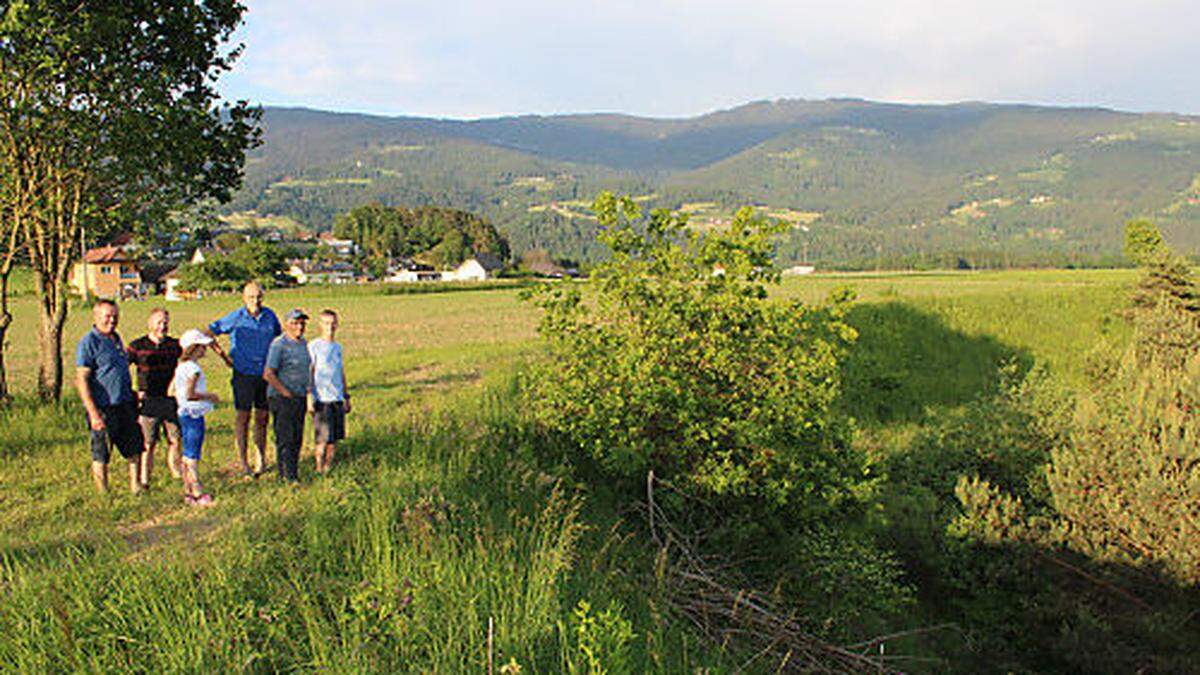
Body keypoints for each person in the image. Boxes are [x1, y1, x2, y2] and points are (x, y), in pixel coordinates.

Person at [206, 281, 281, 477]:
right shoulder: (236, 317)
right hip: (243, 375)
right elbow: (209, 332)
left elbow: (279, 340)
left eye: (258, 297)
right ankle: (243, 462)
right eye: (251, 297)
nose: (255, 301)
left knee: (263, 418)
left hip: (265, 375)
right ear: (243, 298)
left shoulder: (270, 316)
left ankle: (261, 459)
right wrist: (224, 356)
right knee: (243, 417)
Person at [74, 300, 144, 493]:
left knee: (134, 447)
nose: (112, 320)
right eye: (107, 316)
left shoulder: (116, 339)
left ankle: (135, 486)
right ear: (96, 317)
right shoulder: (89, 342)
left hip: (125, 404)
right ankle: (103, 492)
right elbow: (81, 380)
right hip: (103, 407)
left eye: (115, 316)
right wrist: (93, 413)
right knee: (102, 452)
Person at [126, 308, 184, 487]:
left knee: (175, 439)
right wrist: (133, 391)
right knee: (148, 443)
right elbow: (122, 367)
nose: (163, 326)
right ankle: (145, 479)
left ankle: (176, 472)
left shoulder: (175, 346)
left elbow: (187, 361)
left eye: (166, 322)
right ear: (150, 324)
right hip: (148, 401)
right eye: (159, 322)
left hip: (169, 400)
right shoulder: (137, 346)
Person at [172, 329, 220, 506]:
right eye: (202, 346)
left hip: (183, 412)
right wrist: (210, 396)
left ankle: (188, 491)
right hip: (194, 413)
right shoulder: (194, 369)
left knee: (187, 453)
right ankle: (197, 491)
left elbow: (174, 391)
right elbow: (191, 393)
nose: (204, 350)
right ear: (194, 348)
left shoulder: (180, 367)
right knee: (192, 454)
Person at [263, 308, 312, 482]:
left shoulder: (305, 344)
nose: (299, 327)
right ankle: (285, 476)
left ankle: (293, 472)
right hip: (281, 397)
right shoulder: (279, 344)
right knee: (285, 437)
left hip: (299, 396)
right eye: (295, 323)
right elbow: (268, 373)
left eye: (302, 323)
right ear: (286, 325)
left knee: (297, 437)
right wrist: (286, 394)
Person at [308, 309, 350, 474]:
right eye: (326, 323)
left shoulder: (337, 347)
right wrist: (309, 396)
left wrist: (346, 396)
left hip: (337, 398)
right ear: (320, 325)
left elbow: (341, 372)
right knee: (322, 438)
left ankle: (328, 467)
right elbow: (309, 372)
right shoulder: (314, 346)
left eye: (333, 323)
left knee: (334, 438)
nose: (330, 327)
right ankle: (319, 467)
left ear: (337, 325)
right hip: (322, 399)